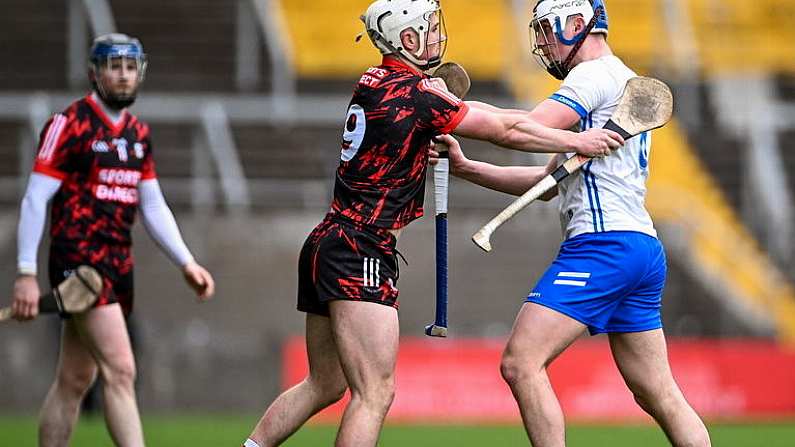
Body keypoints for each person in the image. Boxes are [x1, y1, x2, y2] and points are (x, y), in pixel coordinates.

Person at [242, 1, 624, 446]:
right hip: (363, 249)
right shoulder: (417, 93)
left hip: (328, 242)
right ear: (406, 39)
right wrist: (579, 139)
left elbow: (447, 117)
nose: (436, 36)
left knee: (325, 384)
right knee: (374, 392)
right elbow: (506, 129)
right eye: (427, 29)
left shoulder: (376, 82)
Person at [430, 1, 712, 445]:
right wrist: (467, 168)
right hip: (640, 248)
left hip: (603, 248)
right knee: (660, 394)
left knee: (520, 363)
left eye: (546, 30)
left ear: (577, 24)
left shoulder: (592, 77)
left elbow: (521, 129)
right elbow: (546, 184)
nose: (541, 43)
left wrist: (441, 107)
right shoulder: (621, 80)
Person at [10, 33, 215, 447]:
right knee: (121, 371)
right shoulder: (69, 124)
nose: (122, 76)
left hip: (120, 264)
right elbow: (35, 199)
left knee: (74, 378)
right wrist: (26, 273)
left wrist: (186, 261)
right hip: (81, 263)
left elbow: (153, 206)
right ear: (94, 73)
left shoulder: (138, 133)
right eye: (113, 67)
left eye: (129, 67)